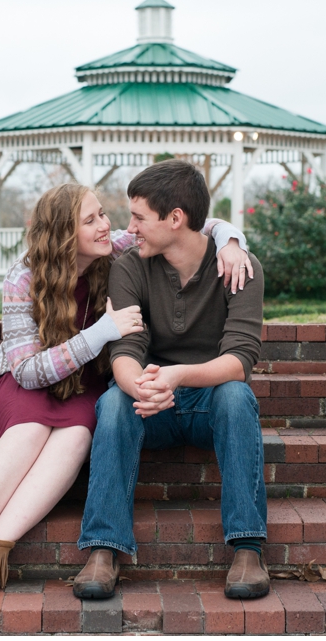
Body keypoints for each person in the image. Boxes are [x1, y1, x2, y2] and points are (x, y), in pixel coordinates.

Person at [0, 181, 252, 601]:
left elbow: (194, 222)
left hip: (81, 388)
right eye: (91, 219)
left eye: (103, 215)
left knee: (76, 434)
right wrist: (99, 334)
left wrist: (232, 243)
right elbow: (27, 371)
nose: (107, 225)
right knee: (30, 429)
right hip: (25, 385)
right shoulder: (23, 277)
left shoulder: (114, 251)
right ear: (63, 234)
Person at [73, 160, 269, 602]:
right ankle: (103, 549)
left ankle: (247, 548)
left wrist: (179, 375)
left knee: (237, 397)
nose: (129, 227)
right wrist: (138, 385)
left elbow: (240, 359)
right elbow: (125, 349)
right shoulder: (130, 267)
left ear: (175, 218)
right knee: (112, 403)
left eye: (139, 217)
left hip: (209, 403)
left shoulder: (239, 268)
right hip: (150, 405)